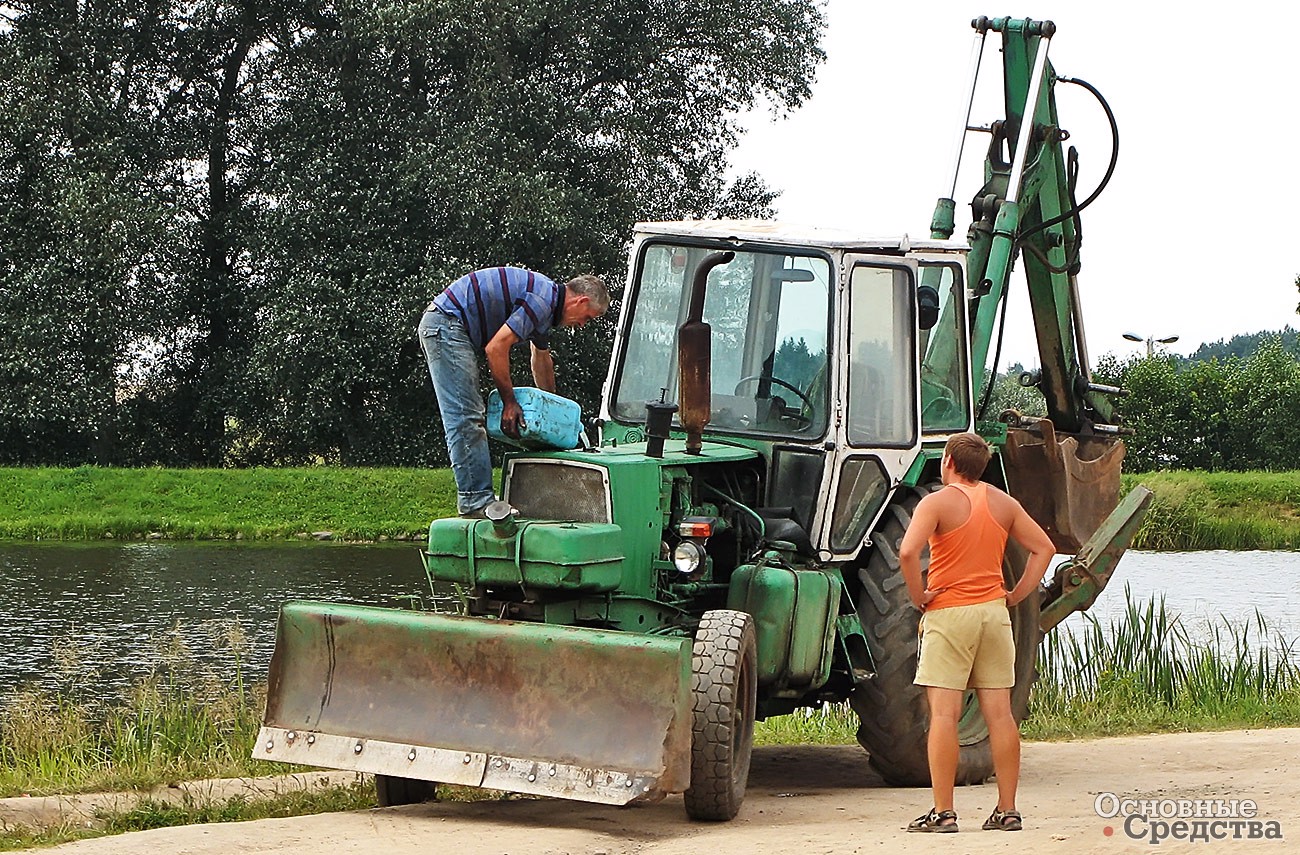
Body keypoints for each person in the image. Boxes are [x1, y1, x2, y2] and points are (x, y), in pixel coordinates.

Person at [899, 432, 1055, 833]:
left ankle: (943, 812)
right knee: (1000, 716)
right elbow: (1044, 549)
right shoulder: (1003, 503)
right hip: (993, 615)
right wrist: (1015, 595)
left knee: (945, 716)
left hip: (951, 614)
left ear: (948, 460)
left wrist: (920, 596)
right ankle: (1007, 810)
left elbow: (907, 552)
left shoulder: (935, 502)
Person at [418, 267, 609, 517]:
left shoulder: (546, 305)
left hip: (449, 325)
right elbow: (496, 348)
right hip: (446, 324)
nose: (583, 325)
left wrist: (557, 413)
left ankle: (478, 497)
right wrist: (509, 402)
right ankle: (475, 500)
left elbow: (541, 360)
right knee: (466, 416)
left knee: (469, 414)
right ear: (581, 301)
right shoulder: (541, 300)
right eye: (588, 317)